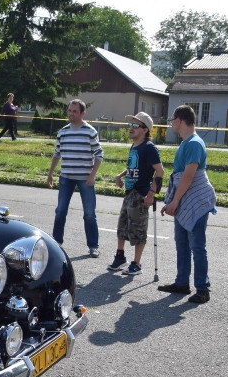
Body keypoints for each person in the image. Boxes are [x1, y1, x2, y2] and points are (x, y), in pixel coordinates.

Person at [158, 104, 217, 304]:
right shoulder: (187, 143)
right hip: (185, 199)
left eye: (173, 120)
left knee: (197, 246)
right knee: (182, 244)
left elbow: (189, 176)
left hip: (196, 201)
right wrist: (175, 201)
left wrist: (174, 201)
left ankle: (203, 288)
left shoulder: (194, 143)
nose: (171, 124)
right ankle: (182, 283)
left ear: (180, 120)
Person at [107, 112, 164, 276]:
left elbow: (159, 172)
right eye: (130, 125)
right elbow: (133, 166)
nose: (130, 128)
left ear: (145, 130)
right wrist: (120, 175)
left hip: (140, 194)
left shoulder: (149, 148)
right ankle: (120, 257)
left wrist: (152, 194)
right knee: (122, 226)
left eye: (135, 125)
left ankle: (136, 263)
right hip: (129, 193)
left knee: (138, 230)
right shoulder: (135, 146)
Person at [46, 99, 104, 257]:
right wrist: (50, 173)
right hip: (66, 177)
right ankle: (57, 242)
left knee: (89, 213)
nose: (71, 114)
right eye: (69, 111)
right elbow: (57, 154)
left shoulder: (90, 131)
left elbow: (99, 155)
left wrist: (92, 175)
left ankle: (93, 246)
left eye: (75, 111)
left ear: (82, 113)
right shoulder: (63, 131)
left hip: (85, 179)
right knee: (60, 211)